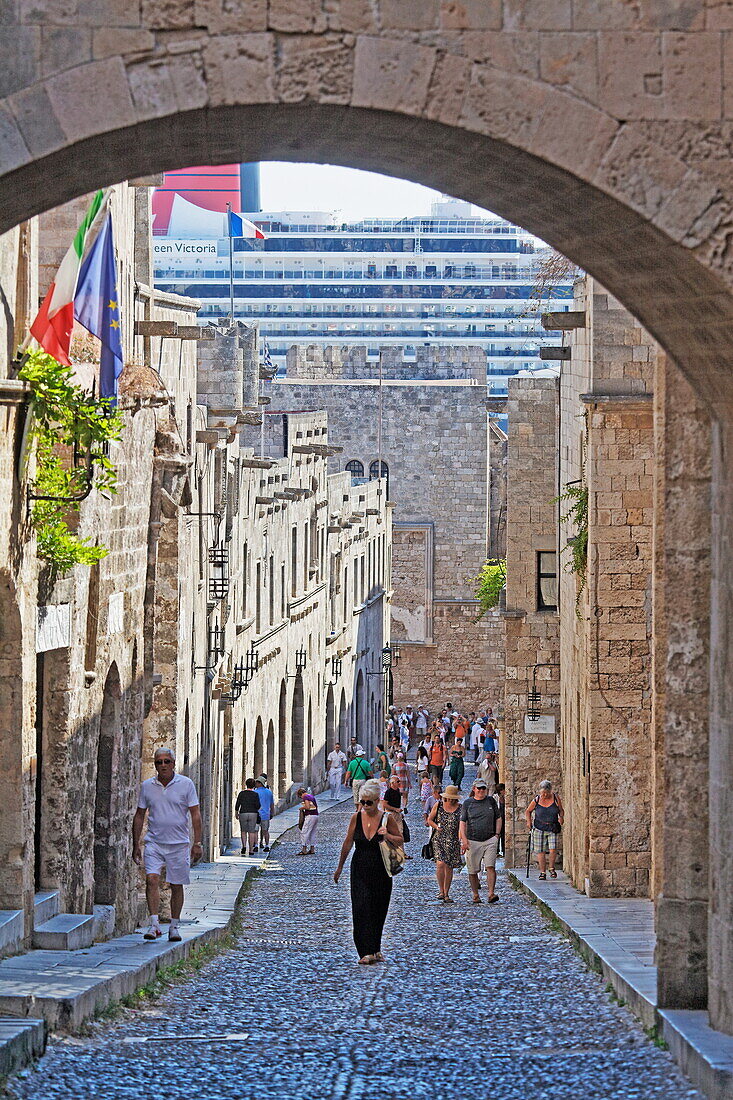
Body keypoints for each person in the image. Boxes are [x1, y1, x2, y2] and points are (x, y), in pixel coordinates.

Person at [132, 747, 202, 943]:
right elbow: (139, 815)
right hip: (154, 841)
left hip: (179, 843)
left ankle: (174, 926)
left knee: (176, 884)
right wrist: (135, 843)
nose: (162, 765)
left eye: (166, 761)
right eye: (158, 762)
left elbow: (195, 814)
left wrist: (197, 842)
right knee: (151, 879)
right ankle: (154, 925)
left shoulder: (186, 784)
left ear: (173, 763)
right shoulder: (147, 786)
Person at [333, 778, 404, 964]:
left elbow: (400, 840)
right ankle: (365, 952)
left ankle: (375, 948)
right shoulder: (356, 817)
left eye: (368, 802)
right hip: (360, 868)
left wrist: (386, 834)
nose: (365, 806)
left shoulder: (386, 818)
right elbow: (348, 842)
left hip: (381, 869)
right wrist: (340, 866)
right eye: (362, 802)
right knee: (361, 908)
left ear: (377, 800)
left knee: (378, 909)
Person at [460, 778, 502, 904]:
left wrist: (497, 835)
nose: (482, 790)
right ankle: (475, 894)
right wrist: (464, 840)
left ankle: (491, 893)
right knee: (472, 870)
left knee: (490, 866)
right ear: (474, 789)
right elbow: (462, 823)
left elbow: (498, 818)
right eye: (479, 788)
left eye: (484, 788)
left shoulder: (491, 801)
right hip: (473, 840)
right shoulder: (468, 803)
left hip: (490, 839)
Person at [427, 784, 462, 902]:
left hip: (453, 840)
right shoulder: (439, 805)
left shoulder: (460, 808)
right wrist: (436, 827)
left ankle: (446, 892)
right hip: (439, 839)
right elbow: (430, 820)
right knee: (440, 864)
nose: (451, 799)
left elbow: (462, 825)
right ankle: (441, 890)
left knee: (449, 866)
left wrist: (462, 838)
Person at [526, 780, 564, 879]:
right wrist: (529, 822)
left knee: (553, 849)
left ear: (550, 791)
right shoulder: (537, 800)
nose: (544, 795)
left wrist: (561, 817)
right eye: (542, 793)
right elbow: (528, 811)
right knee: (540, 851)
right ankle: (542, 872)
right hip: (539, 828)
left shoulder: (555, 798)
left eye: (546, 793)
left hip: (552, 827)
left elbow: (561, 810)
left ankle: (551, 868)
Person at [235, 778, 260, 856]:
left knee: (243, 831)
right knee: (251, 831)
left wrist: (236, 812)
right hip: (253, 813)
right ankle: (251, 850)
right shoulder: (255, 794)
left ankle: (244, 846)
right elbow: (258, 805)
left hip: (243, 813)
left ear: (246, 784)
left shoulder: (241, 793)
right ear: (253, 786)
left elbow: (237, 804)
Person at [297, 787, 319, 855]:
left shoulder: (305, 797)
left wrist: (301, 808)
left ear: (301, 794)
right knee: (312, 832)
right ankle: (312, 849)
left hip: (310, 816)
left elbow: (307, 807)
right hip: (316, 815)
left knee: (305, 831)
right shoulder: (311, 796)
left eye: (300, 797)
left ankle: (304, 849)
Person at [255, 778, 274, 853]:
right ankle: (267, 845)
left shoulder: (255, 792)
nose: (255, 784)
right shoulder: (269, 792)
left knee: (255, 831)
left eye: (256, 783)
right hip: (266, 814)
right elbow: (272, 804)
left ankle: (256, 845)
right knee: (265, 831)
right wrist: (272, 813)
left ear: (260, 783)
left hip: (256, 815)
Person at [495, 783, 506, 857]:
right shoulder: (495, 797)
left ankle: (504, 851)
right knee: (497, 834)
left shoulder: (506, 797)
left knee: (504, 835)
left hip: (504, 818)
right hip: (498, 818)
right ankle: (496, 851)